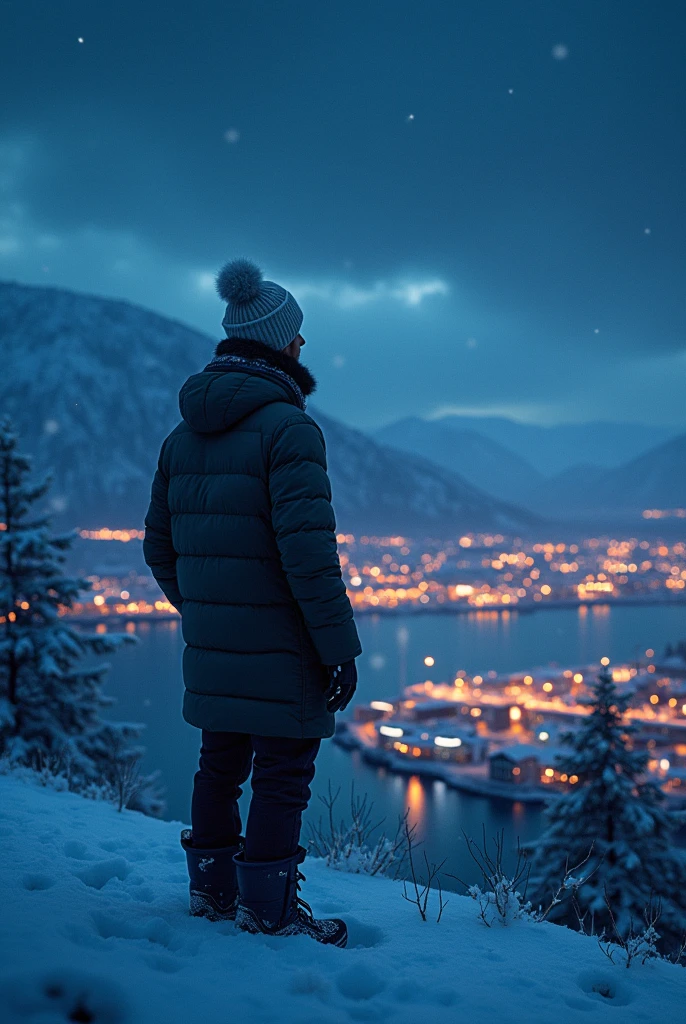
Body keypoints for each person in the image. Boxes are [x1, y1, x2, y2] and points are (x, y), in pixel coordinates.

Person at [143, 258, 361, 947]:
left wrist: (207, 610)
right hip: (284, 645)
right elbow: (308, 558)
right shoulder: (290, 430)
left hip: (216, 645)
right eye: (296, 337)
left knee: (220, 761)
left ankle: (210, 894)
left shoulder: (182, 437)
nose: (303, 348)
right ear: (275, 343)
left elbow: (158, 548)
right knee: (284, 770)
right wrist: (338, 650)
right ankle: (267, 911)